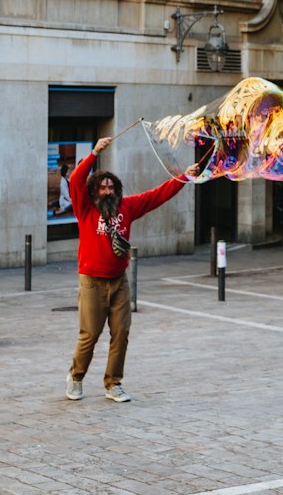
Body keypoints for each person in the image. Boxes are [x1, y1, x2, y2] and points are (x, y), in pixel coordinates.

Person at [65, 136, 200, 404]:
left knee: (121, 333)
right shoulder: (85, 208)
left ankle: (113, 383)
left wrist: (185, 176)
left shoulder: (127, 207)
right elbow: (76, 179)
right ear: (94, 191)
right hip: (91, 281)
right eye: (102, 187)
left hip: (119, 281)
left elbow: (158, 195)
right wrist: (93, 153)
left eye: (111, 187)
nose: (107, 191)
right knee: (90, 334)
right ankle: (76, 377)